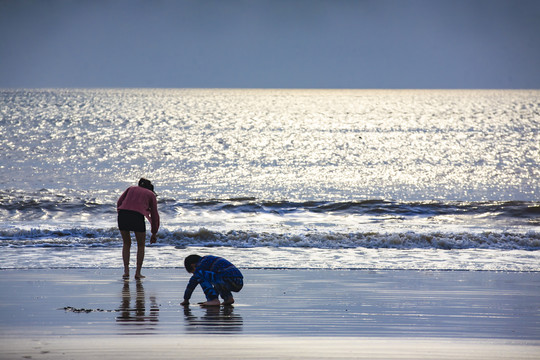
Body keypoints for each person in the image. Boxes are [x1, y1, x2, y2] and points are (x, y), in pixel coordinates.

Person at [117, 178, 160, 279]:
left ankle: (126, 271)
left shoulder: (131, 188)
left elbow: (119, 202)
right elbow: (155, 214)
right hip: (137, 216)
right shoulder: (151, 194)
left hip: (123, 214)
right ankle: (138, 273)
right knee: (141, 245)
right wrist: (154, 232)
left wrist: (121, 213)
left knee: (126, 243)